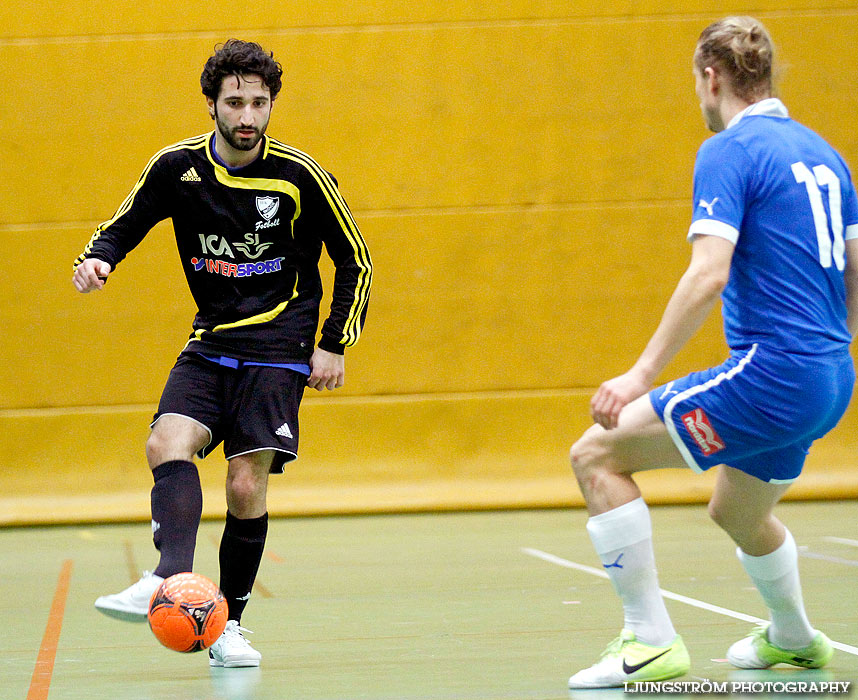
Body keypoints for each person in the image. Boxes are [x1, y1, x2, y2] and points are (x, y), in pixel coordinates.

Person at [566, 16, 858, 688]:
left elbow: (709, 273)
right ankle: (794, 637)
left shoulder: (731, 150)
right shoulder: (823, 153)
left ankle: (650, 640)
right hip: (830, 376)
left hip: (773, 373)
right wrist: (831, 347)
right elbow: (853, 269)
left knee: (595, 455)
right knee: (737, 510)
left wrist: (640, 374)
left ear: (711, 76)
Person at [72, 39, 372, 668]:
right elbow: (128, 221)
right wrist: (98, 257)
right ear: (210, 104)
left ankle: (228, 624)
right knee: (165, 443)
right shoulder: (176, 168)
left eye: (259, 103)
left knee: (243, 484)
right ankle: (167, 580)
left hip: (279, 345)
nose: (247, 115)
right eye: (234, 101)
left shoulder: (298, 176)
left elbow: (353, 258)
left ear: (270, 106)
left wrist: (334, 344)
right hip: (211, 341)